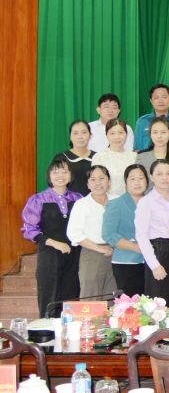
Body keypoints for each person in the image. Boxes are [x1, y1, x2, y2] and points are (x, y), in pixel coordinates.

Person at [22, 156, 83, 317]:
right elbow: (29, 229)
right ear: (49, 176)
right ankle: (47, 331)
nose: (60, 175)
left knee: (71, 299)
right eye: (55, 172)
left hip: (75, 255)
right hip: (49, 255)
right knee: (49, 299)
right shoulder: (38, 200)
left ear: (71, 175)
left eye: (64, 171)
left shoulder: (79, 199)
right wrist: (54, 243)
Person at [135, 159, 169, 307]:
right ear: (151, 177)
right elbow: (141, 236)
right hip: (159, 251)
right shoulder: (146, 201)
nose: (164, 178)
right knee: (158, 301)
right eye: (159, 174)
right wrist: (154, 264)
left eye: (168, 173)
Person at [67, 165, 115, 299]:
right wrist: (99, 248)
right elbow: (74, 234)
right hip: (92, 253)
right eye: (93, 179)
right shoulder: (81, 204)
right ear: (88, 184)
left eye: (102, 178)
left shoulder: (117, 200)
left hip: (117, 253)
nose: (98, 183)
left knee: (114, 297)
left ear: (109, 181)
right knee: (91, 297)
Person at [102, 164, 148, 295]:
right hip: (126, 261)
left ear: (147, 181)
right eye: (132, 179)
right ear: (125, 182)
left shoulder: (152, 202)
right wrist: (137, 247)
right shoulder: (116, 204)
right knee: (131, 302)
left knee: (151, 302)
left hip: (151, 262)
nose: (137, 182)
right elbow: (108, 234)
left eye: (141, 178)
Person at [92, 119, 138, 198]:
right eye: (112, 133)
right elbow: (96, 184)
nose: (117, 137)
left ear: (126, 134)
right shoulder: (99, 157)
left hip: (130, 200)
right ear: (106, 135)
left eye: (121, 132)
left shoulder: (134, 157)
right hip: (107, 201)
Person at [134, 84, 169, 150]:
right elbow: (137, 148)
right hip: (148, 156)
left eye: (164, 97)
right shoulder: (142, 122)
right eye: (156, 98)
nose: (160, 101)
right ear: (151, 101)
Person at [59, 120, 95, 196]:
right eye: (75, 133)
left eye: (84, 132)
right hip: (69, 201)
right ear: (70, 137)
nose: (80, 137)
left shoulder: (98, 157)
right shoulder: (62, 158)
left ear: (90, 135)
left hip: (94, 201)